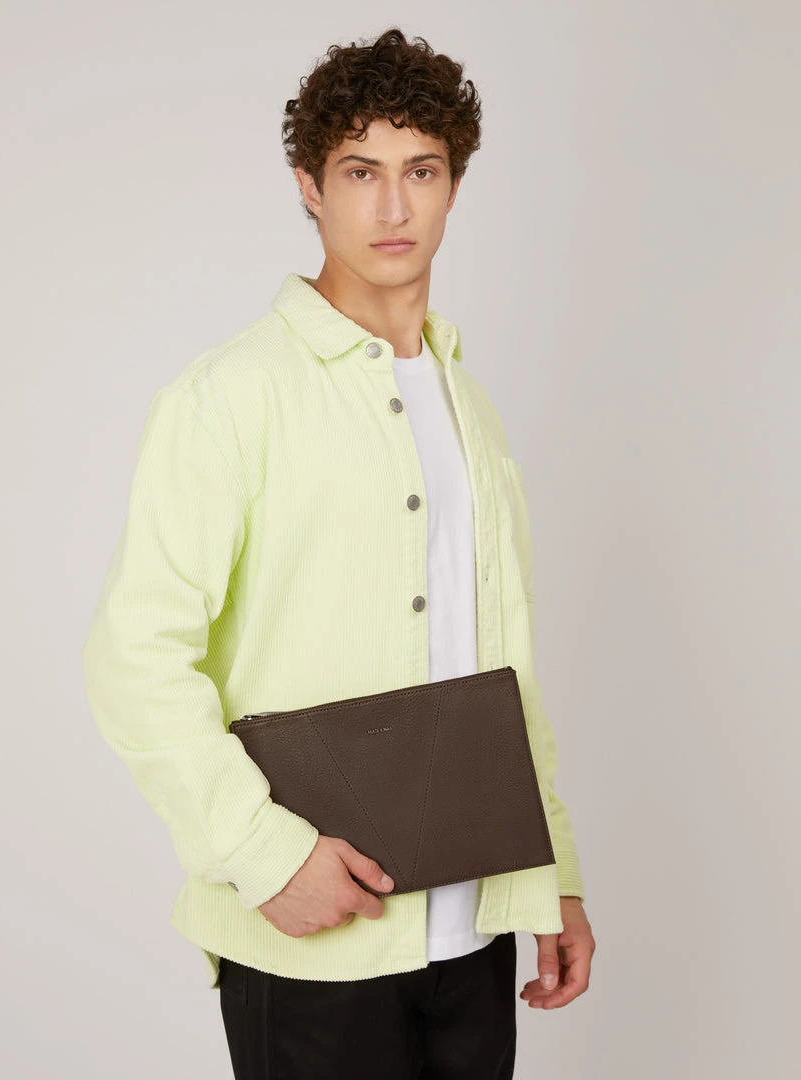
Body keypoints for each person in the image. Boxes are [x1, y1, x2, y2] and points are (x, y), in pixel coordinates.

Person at [81, 25, 595, 1080]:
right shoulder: (228, 397)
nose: (393, 206)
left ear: (454, 187)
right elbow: (133, 659)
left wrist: (554, 875)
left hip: (476, 931)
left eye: (421, 171)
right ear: (310, 188)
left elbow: (507, 670)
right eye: (361, 172)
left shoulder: (471, 410)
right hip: (312, 939)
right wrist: (263, 856)